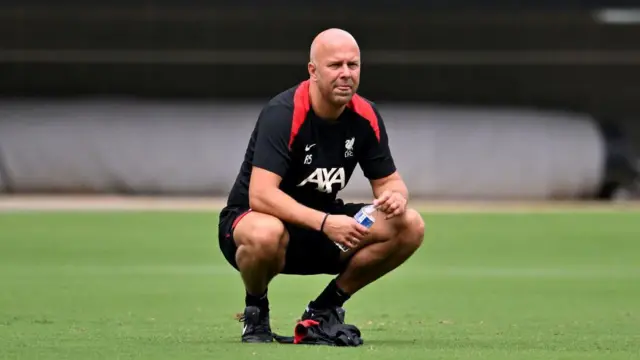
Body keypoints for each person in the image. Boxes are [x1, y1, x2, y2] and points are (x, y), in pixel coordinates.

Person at [218, 28, 425, 343]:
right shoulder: (283, 113)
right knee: (266, 232)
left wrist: (394, 196)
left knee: (409, 225)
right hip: (256, 224)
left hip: (323, 228)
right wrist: (326, 223)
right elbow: (260, 195)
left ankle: (325, 308)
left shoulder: (365, 115)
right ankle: (256, 309)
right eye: (335, 65)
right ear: (313, 71)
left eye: (352, 65)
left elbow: (389, 182)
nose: (345, 74)